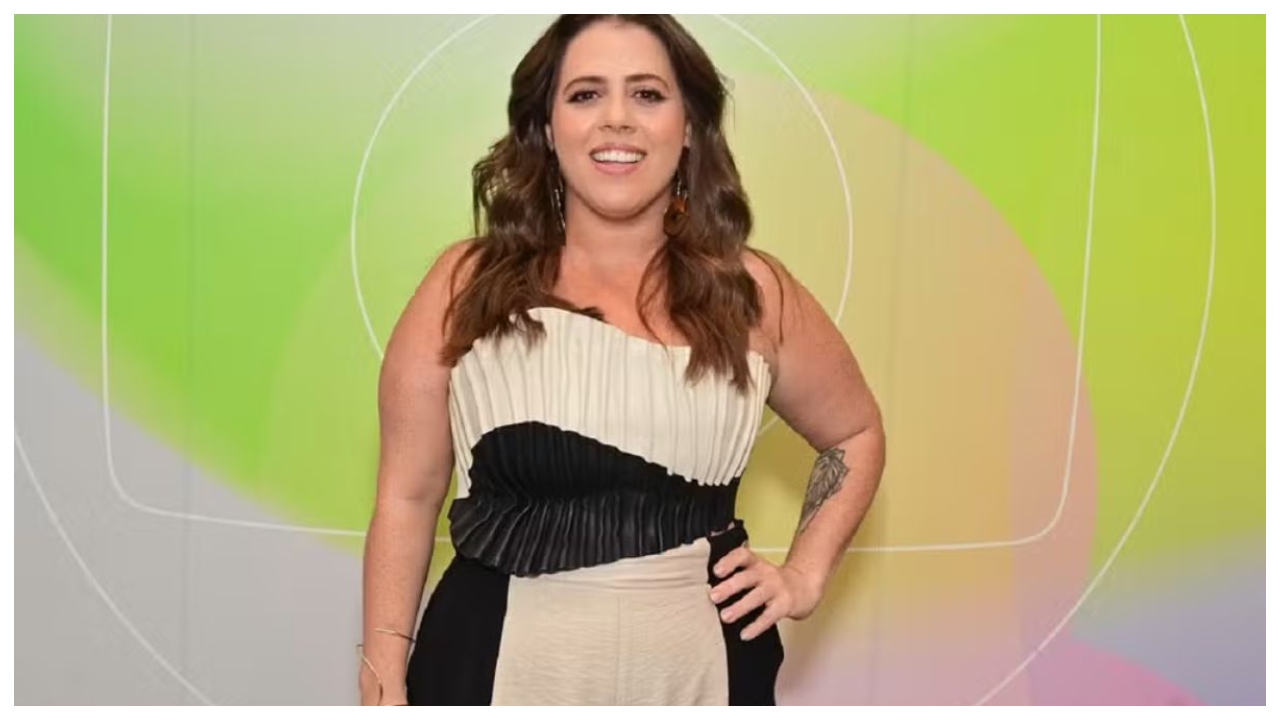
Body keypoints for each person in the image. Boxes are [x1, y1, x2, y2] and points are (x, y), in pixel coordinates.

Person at [359, 14, 885, 706]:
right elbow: (406, 496)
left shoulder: (754, 294)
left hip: (703, 676)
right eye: (585, 94)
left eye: (647, 94)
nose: (617, 119)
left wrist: (805, 575)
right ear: (547, 128)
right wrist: (382, 674)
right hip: (487, 670)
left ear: (689, 125)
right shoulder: (465, 284)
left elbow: (855, 433)